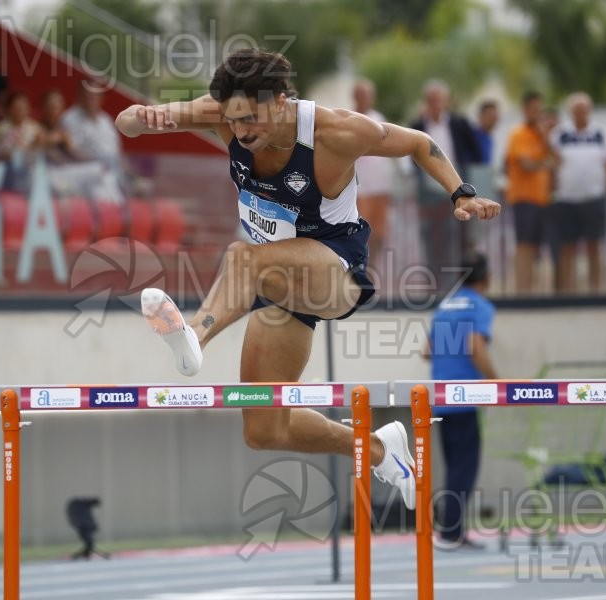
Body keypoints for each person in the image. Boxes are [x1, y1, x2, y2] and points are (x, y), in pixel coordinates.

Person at [115, 48, 501, 510]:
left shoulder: (337, 131)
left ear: (281, 101)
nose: (242, 131)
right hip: (278, 291)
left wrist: (460, 192)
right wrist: (139, 119)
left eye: (251, 119)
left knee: (243, 257)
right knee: (264, 430)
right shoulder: (222, 114)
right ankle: (382, 450)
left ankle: (194, 337)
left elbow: (419, 142)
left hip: (335, 274)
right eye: (234, 122)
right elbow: (130, 120)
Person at [423, 253, 497, 549]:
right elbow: (476, 346)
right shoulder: (480, 306)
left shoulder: (444, 306)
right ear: (486, 279)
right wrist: (496, 382)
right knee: (464, 467)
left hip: (440, 397)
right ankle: (451, 532)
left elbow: (426, 351)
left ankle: (449, 528)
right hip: (466, 398)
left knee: (453, 464)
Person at [409, 80, 483, 290]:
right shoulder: (418, 127)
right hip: (430, 196)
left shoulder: (460, 124)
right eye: (431, 101)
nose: (435, 105)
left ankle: (464, 284)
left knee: (462, 239)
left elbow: (476, 154)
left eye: (438, 100)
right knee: (434, 240)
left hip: (458, 192)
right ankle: (435, 285)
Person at [550, 92, 606, 293]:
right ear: (571, 112)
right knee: (566, 247)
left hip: (593, 197)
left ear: (590, 111)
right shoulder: (560, 134)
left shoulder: (601, 133)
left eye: (584, 109)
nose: (580, 113)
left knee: (594, 246)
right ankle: (567, 292)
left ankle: (596, 290)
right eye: (576, 110)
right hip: (565, 198)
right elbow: (551, 162)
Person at [504, 91, 558, 294]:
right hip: (523, 198)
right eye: (533, 109)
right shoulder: (518, 134)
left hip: (542, 199)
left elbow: (558, 161)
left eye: (540, 109)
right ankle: (522, 291)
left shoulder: (542, 136)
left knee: (536, 248)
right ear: (525, 110)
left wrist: (546, 139)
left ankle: (532, 291)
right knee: (524, 246)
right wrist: (546, 162)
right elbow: (526, 164)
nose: (537, 113)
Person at [351, 78, 394, 275]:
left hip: (379, 187)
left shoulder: (379, 119)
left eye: (366, 96)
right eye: (360, 96)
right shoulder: (348, 119)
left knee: (379, 233)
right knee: (361, 231)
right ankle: (358, 269)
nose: (363, 99)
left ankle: (372, 271)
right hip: (359, 189)